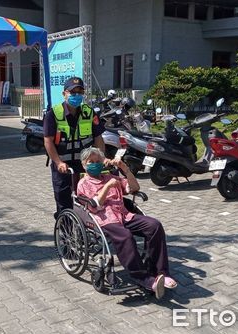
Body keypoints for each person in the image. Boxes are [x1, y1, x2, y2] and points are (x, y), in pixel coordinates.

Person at [76, 147, 177, 299]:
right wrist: (107, 187)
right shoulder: (83, 183)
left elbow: (134, 188)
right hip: (104, 220)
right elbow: (94, 206)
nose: (95, 164)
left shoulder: (111, 177)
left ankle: (160, 272)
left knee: (154, 225)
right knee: (126, 236)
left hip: (124, 215)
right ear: (84, 164)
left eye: (98, 161)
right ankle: (145, 279)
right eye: (91, 162)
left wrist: (125, 169)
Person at [43, 76, 105, 219]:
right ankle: (65, 230)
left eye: (80, 92)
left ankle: (86, 226)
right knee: (63, 200)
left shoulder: (89, 113)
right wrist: (58, 162)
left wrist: (101, 159)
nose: (76, 96)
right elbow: (48, 141)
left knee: (87, 197)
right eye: (72, 92)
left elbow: (98, 138)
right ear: (64, 93)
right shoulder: (53, 114)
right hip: (62, 165)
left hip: (84, 164)